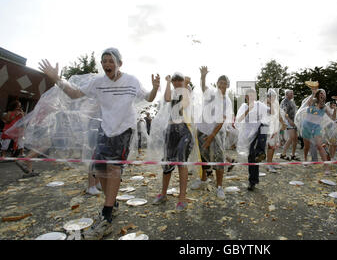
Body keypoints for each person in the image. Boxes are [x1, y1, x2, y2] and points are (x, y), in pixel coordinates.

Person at [38, 48, 160, 239]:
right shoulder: (98, 82)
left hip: (124, 130)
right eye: (104, 61)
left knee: (113, 169)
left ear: (120, 63)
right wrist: (57, 79)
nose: (106, 65)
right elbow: (74, 93)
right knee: (99, 169)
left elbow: (149, 98)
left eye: (110, 61)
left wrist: (155, 87)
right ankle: (113, 202)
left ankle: (107, 215)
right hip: (105, 129)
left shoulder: (132, 81)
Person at [190, 66, 234, 199]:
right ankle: (203, 180)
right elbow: (203, 87)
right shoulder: (211, 94)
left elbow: (222, 121)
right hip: (202, 129)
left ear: (228, 85)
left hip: (216, 133)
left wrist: (211, 137)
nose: (222, 85)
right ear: (217, 84)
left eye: (224, 83)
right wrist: (203, 76)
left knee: (219, 159)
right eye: (220, 82)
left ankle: (219, 186)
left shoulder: (226, 101)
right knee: (203, 157)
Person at [152, 72, 193, 211]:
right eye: (174, 80)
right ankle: (163, 193)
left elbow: (185, 104)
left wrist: (185, 86)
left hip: (184, 130)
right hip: (170, 130)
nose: (176, 82)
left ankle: (182, 198)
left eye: (178, 80)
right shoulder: (172, 91)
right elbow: (167, 98)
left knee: (181, 162)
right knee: (167, 162)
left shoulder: (187, 91)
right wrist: (168, 82)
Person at [236, 89, 269, 191]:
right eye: (248, 96)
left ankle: (261, 152)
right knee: (252, 157)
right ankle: (252, 181)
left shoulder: (260, 105)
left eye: (253, 95)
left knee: (264, 125)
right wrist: (248, 110)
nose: (251, 97)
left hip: (260, 133)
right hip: (250, 135)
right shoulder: (244, 107)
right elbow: (238, 120)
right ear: (246, 97)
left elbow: (270, 112)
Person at [300, 88, 336, 174]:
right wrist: (313, 93)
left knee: (319, 146)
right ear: (318, 94)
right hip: (306, 126)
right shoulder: (312, 101)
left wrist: (335, 109)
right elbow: (307, 103)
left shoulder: (325, 107)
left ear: (325, 96)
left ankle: (326, 167)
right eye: (320, 93)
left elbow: (333, 118)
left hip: (317, 127)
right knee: (306, 146)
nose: (322, 94)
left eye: (323, 93)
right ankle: (305, 159)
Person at [265, 89, 286, 172]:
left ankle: (270, 162)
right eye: (271, 96)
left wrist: (283, 123)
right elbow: (272, 114)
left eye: (274, 96)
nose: (273, 97)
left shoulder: (274, 104)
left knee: (273, 146)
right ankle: (268, 164)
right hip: (270, 128)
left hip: (275, 127)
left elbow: (279, 115)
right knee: (270, 146)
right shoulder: (267, 104)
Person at [280, 90, 300, 161]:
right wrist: (289, 120)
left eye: (293, 93)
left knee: (295, 139)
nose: (292, 94)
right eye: (291, 93)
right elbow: (284, 112)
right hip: (288, 121)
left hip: (294, 122)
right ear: (286, 94)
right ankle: (283, 154)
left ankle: (293, 155)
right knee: (291, 137)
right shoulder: (285, 101)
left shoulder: (292, 102)